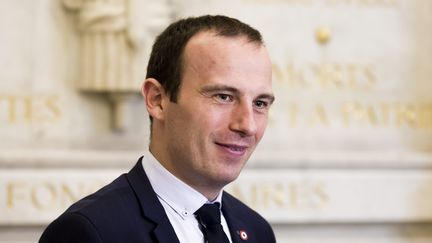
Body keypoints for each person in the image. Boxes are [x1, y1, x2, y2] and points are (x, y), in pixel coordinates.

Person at [39, 15, 276, 243]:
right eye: (223, 96)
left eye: (260, 103)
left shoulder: (257, 231)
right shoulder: (89, 232)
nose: (247, 125)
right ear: (157, 99)